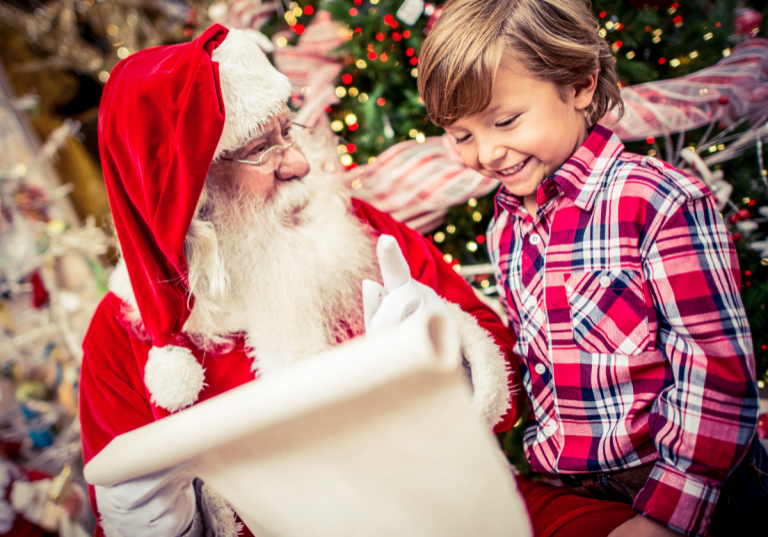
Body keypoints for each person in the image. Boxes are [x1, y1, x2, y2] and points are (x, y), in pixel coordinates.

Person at [79, 24, 525, 537]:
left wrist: (452, 353)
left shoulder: (353, 226)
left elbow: (507, 375)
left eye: (286, 132)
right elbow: (112, 506)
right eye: (260, 148)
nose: (297, 162)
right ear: (189, 190)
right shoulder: (120, 337)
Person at [418, 1, 765, 537]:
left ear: (580, 85)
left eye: (505, 120)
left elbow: (715, 379)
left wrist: (666, 518)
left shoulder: (658, 200)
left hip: (679, 491)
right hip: (573, 486)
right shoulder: (504, 227)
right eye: (461, 135)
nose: (486, 153)